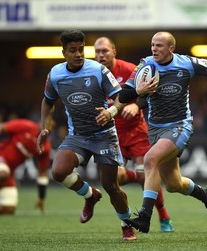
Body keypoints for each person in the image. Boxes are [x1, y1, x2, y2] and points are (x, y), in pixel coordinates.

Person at [95, 31, 207, 233]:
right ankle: (206, 196)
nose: (154, 49)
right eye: (152, 45)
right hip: (155, 128)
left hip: (180, 125)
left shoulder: (186, 63)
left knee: (149, 159)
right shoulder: (145, 65)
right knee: (173, 183)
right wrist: (140, 90)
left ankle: (145, 217)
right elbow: (125, 93)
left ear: (171, 48)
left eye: (159, 45)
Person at [36, 29, 134, 241]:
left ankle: (126, 223)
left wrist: (111, 111)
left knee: (111, 186)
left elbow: (122, 96)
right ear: (64, 53)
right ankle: (90, 195)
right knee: (59, 171)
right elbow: (47, 100)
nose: (79, 54)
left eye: (81, 49)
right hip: (77, 135)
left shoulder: (98, 70)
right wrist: (44, 125)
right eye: (73, 50)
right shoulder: (55, 74)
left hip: (104, 134)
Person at [94, 37, 174, 233]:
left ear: (114, 51)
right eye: (97, 52)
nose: (101, 55)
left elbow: (152, 94)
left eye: (105, 51)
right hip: (112, 134)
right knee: (116, 179)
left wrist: (136, 105)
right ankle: (140, 177)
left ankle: (164, 217)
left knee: (145, 172)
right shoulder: (93, 74)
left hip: (136, 131)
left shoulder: (133, 69)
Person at [0, 118, 51, 214]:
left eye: (51, 125)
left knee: (9, 208)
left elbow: (42, 173)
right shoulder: (27, 126)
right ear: (40, 122)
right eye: (46, 123)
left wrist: (41, 197)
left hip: (9, 171)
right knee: (3, 174)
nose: (48, 126)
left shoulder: (45, 147)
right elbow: (1, 127)